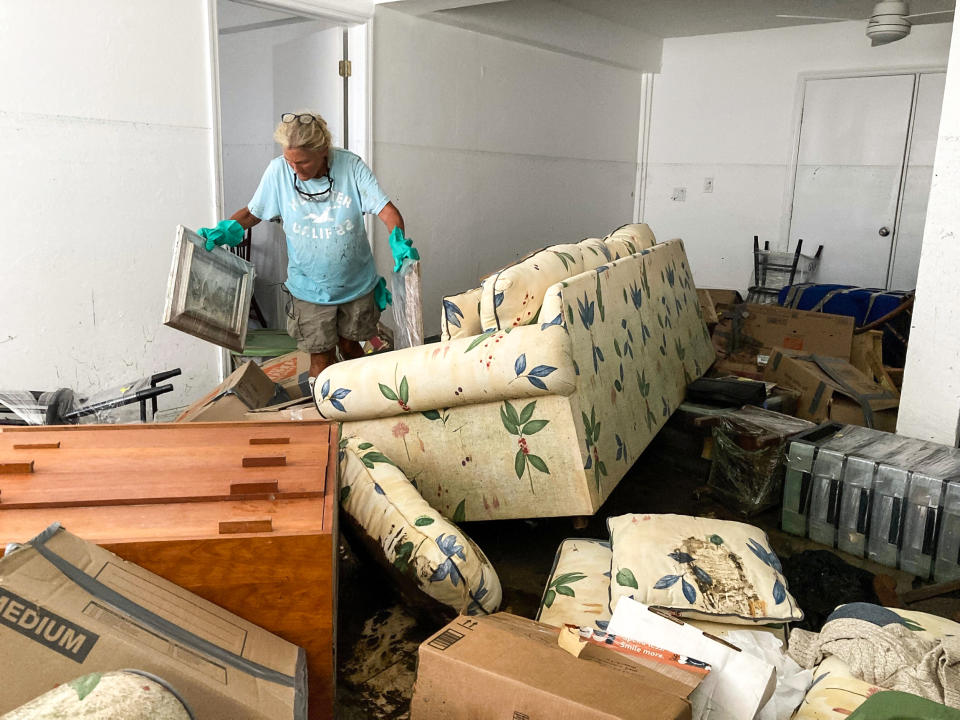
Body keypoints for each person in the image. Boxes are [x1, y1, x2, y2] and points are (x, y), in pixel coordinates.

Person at [198, 111, 410, 378]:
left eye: (303, 162)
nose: (295, 170)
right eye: (290, 161)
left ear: (323, 151)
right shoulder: (279, 171)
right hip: (309, 289)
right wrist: (225, 229)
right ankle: (324, 412)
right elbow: (254, 212)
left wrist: (398, 241)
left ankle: (362, 404)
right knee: (321, 357)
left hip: (356, 285)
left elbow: (388, 211)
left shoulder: (350, 166)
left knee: (351, 348)